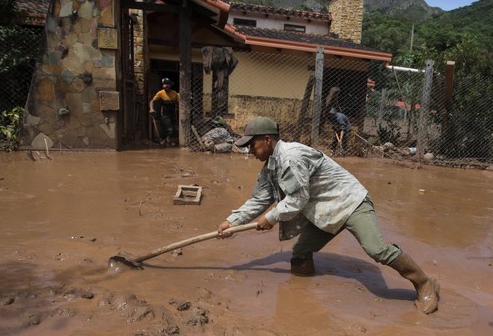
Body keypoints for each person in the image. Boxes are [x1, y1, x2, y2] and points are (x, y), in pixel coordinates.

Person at [217, 116, 440, 314]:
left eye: (252, 145)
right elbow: (260, 199)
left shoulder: (291, 157)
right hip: (324, 211)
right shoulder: (270, 166)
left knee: (377, 249)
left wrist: (271, 218)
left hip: (350, 202)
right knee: (300, 253)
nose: (250, 151)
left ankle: (424, 283)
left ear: (267, 140)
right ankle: (302, 304)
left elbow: (297, 199)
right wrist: (232, 221)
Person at [149, 78, 179, 146]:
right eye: (165, 84)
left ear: (170, 85)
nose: (166, 85)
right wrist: (151, 109)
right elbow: (152, 101)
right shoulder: (160, 93)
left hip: (173, 114)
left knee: (175, 129)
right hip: (165, 114)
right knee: (170, 129)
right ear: (162, 85)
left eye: (168, 84)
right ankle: (167, 141)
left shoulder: (174, 93)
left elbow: (178, 102)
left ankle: (166, 141)